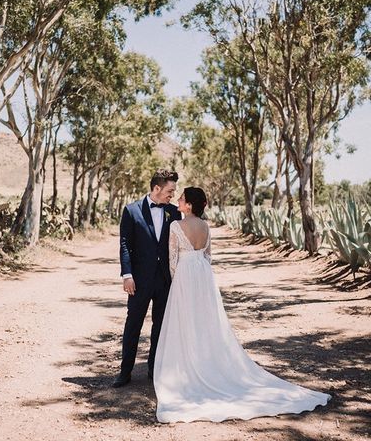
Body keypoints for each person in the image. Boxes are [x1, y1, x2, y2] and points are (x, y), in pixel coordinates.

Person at [153, 187, 331, 422]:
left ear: (190, 205)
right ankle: (207, 361)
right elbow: (208, 257)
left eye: (182, 198)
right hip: (204, 276)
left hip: (185, 275)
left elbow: (173, 261)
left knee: (186, 321)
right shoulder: (205, 227)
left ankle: (190, 365)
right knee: (207, 322)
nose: (178, 200)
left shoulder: (176, 226)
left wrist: (178, 283)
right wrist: (201, 277)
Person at [112, 170, 183, 388]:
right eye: (170, 191)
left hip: (164, 281)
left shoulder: (174, 213)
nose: (172, 195)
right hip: (139, 281)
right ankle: (125, 372)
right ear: (156, 188)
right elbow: (125, 244)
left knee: (160, 327)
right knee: (133, 324)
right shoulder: (131, 210)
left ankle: (154, 370)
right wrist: (127, 275)